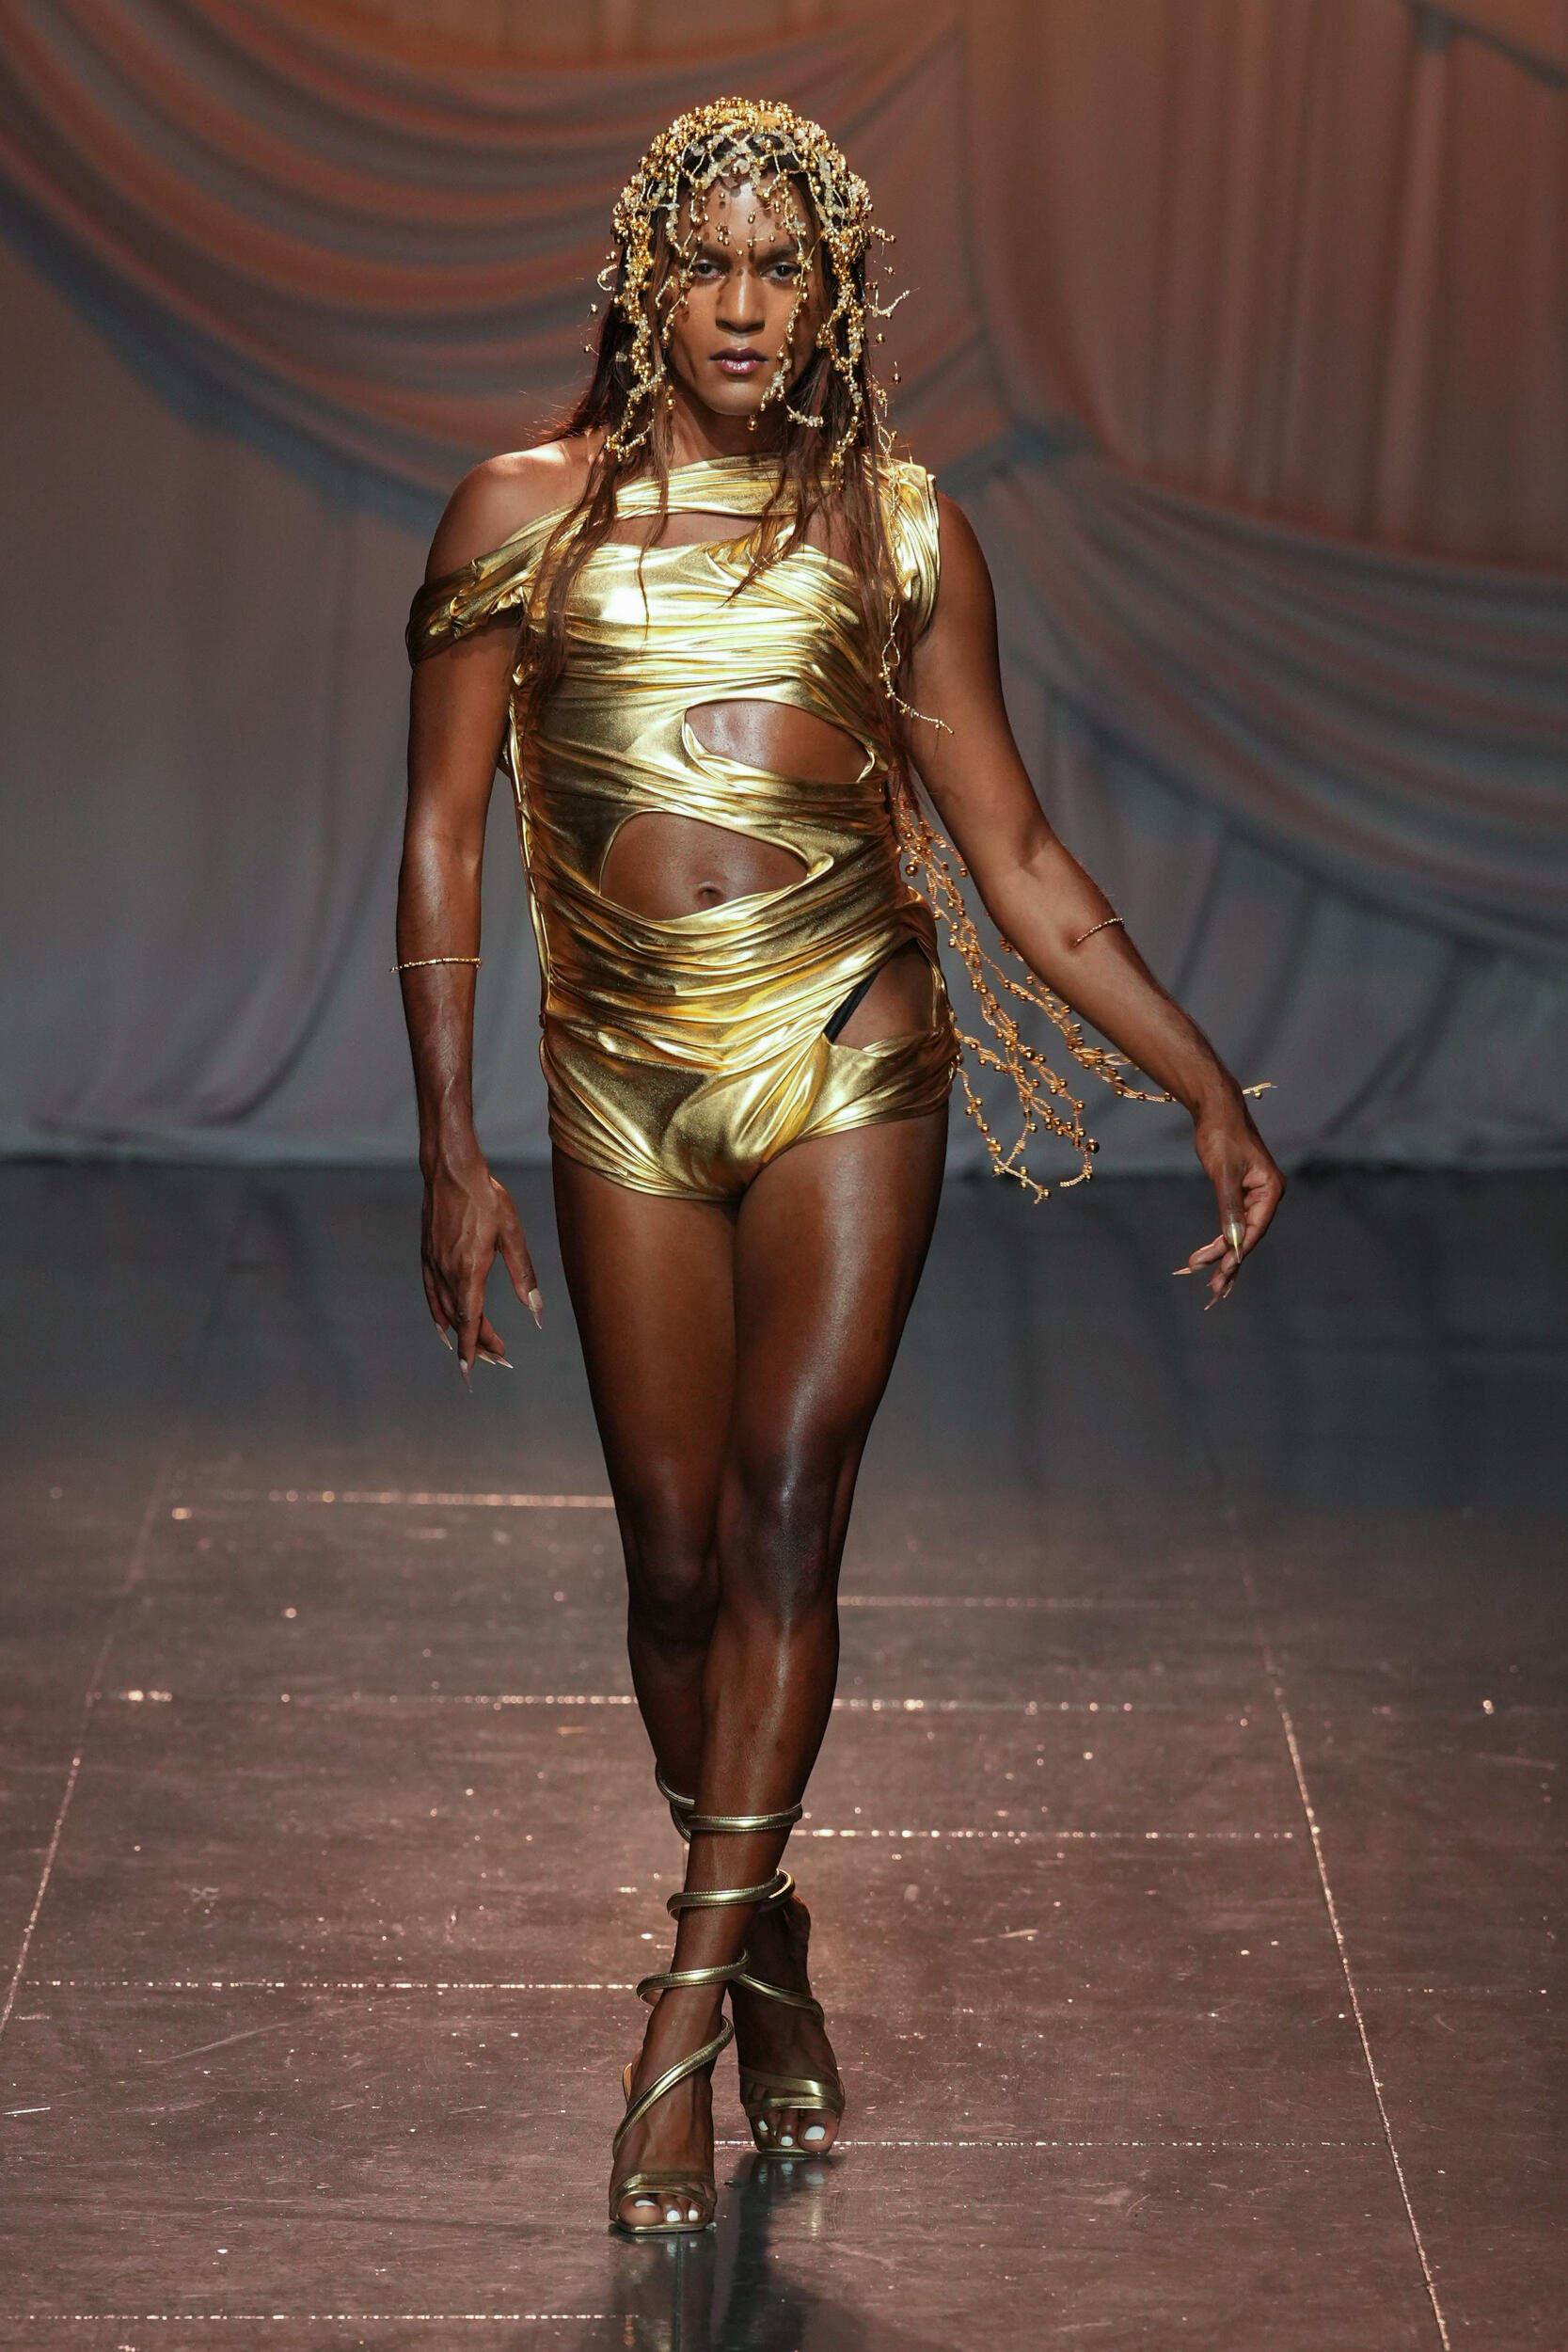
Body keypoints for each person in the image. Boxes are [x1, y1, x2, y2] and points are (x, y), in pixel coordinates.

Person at [398, 99, 1283, 2238]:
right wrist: (446, 1145)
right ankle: (768, 1939)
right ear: (646, 276)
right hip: (619, 1076)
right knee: (672, 1562)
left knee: (790, 1502)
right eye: (707, 259)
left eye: (782, 266)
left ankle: (678, 2030)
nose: (742, 301)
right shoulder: (518, 512)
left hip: (849, 1054)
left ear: (834, 296)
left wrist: (1202, 1080)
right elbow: (436, 836)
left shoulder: (901, 530)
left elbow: (1018, 853)